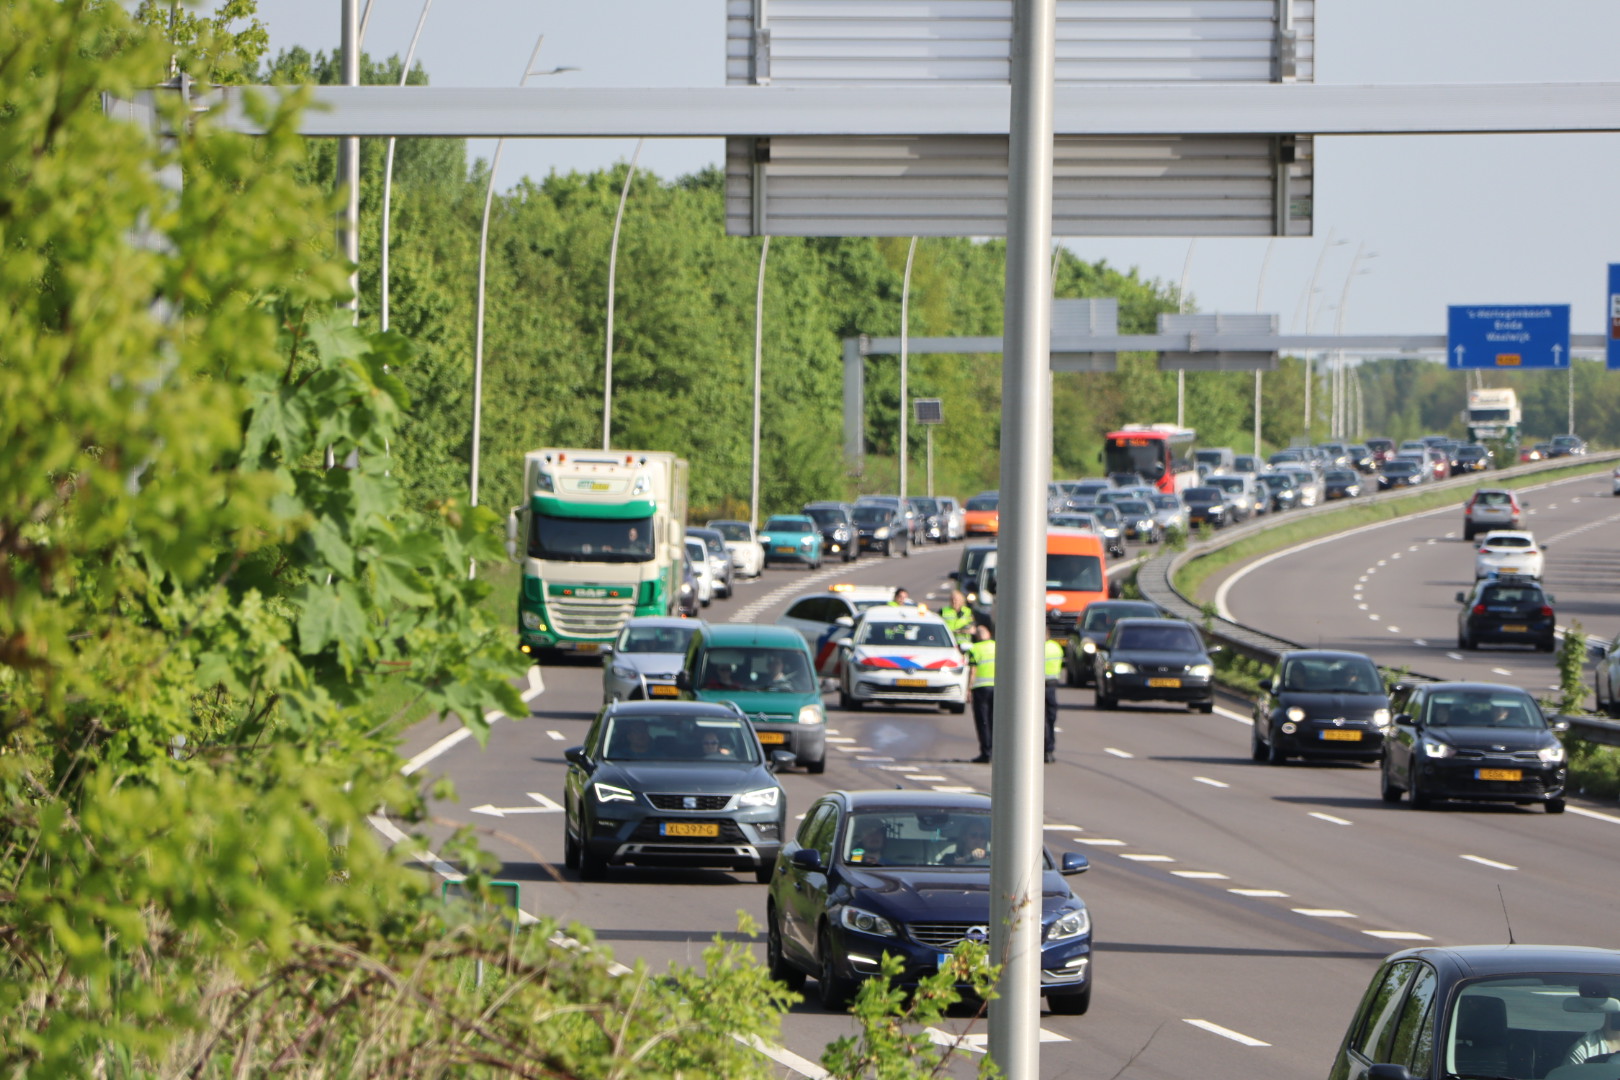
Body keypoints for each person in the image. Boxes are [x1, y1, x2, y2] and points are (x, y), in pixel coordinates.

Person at [966, 623, 996, 763]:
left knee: (982, 722)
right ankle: (996, 752)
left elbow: (973, 671)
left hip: (980, 688)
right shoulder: (997, 646)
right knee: (994, 721)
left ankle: (986, 752)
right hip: (997, 688)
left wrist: (968, 689)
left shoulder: (975, 649)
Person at [1044, 622, 1064, 764]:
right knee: (1050, 719)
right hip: (1052, 685)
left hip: (1040, 686)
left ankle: (1046, 749)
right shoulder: (1056, 647)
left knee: (1042, 721)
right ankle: (1050, 749)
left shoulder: (1037, 648)